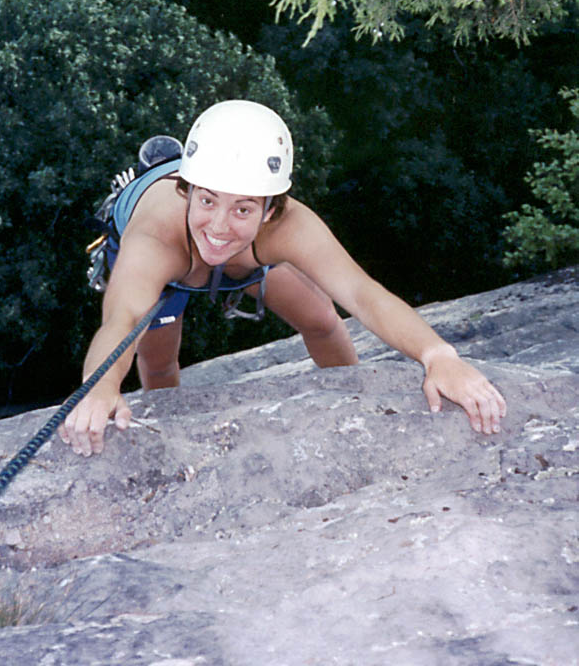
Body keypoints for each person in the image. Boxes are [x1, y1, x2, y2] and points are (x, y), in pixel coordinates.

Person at [60, 100, 506, 456]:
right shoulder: (154, 237)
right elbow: (121, 321)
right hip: (176, 267)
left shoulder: (287, 226)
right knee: (158, 361)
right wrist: (100, 388)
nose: (219, 225)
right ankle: (173, 435)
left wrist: (438, 356)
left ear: (271, 209)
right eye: (208, 200)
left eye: (243, 208)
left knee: (322, 320)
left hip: (248, 258)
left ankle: (350, 394)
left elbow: (362, 293)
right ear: (186, 189)